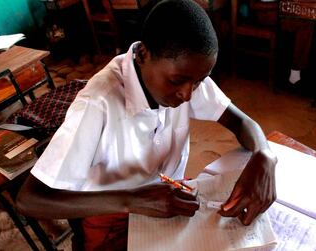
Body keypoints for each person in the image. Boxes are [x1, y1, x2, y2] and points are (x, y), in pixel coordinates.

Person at [16, 0, 277, 250]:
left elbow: (240, 121)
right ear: (142, 54)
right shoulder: (98, 103)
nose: (188, 94)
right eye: (178, 81)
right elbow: (29, 199)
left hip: (171, 198)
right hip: (113, 215)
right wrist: (133, 200)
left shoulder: (186, 72)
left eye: (198, 82)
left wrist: (264, 155)